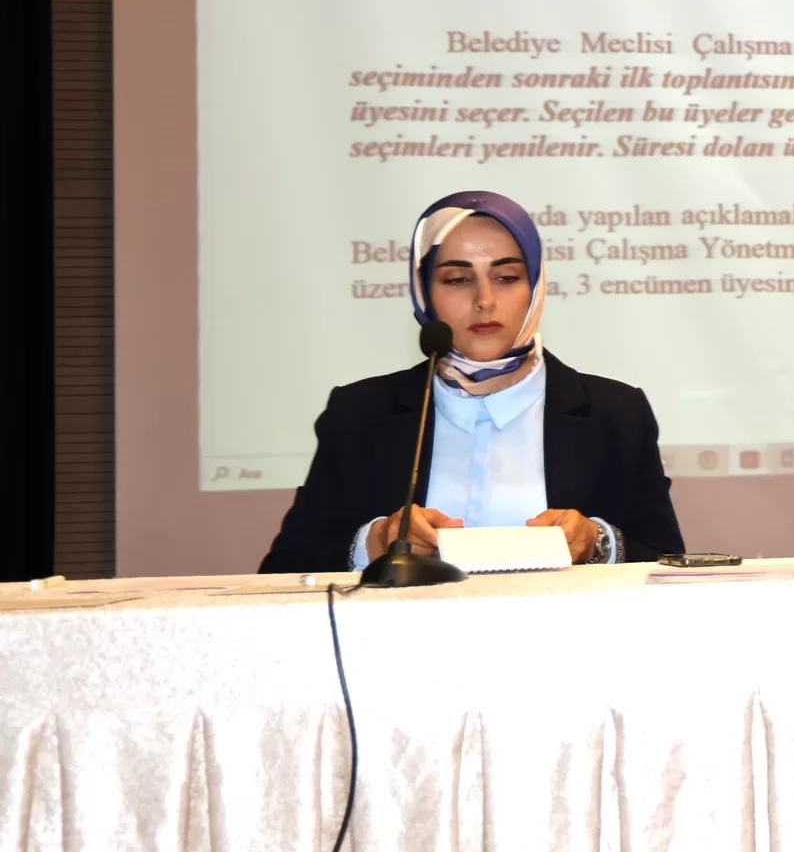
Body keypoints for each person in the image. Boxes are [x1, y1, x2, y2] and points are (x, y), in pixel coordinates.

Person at [261, 190, 683, 572]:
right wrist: (375, 542)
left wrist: (599, 543)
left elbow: (670, 564)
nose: (484, 300)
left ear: (535, 286)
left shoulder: (615, 413)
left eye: (507, 277)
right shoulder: (360, 413)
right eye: (458, 279)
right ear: (424, 293)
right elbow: (283, 569)